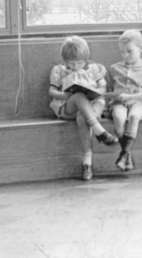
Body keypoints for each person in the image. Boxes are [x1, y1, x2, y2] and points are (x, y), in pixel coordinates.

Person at [48, 35, 118, 181]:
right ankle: (100, 131)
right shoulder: (59, 70)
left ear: (86, 58)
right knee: (79, 95)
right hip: (69, 106)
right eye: (71, 63)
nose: (75, 66)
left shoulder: (94, 69)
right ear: (64, 59)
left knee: (82, 116)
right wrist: (66, 96)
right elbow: (52, 91)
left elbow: (103, 87)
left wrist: (95, 93)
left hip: (94, 104)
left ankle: (87, 164)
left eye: (79, 63)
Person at [107, 29, 142, 171]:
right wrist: (112, 96)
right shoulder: (114, 68)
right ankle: (126, 155)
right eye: (122, 52)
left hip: (138, 102)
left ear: (140, 48)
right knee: (119, 117)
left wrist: (131, 97)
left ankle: (124, 153)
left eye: (129, 51)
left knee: (133, 116)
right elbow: (109, 90)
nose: (125, 55)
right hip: (119, 103)